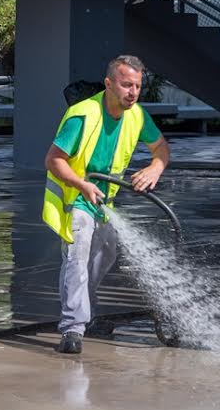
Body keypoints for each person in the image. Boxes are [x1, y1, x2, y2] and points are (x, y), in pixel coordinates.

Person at [43, 55, 170, 355]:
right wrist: (82, 184)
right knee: (78, 257)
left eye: (138, 86)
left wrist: (155, 168)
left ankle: (84, 312)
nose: (133, 92)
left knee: (105, 255)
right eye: (127, 85)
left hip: (105, 203)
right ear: (109, 84)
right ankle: (73, 329)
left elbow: (161, 148)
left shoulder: (137, 116)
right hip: (76, 199)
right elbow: (53, 160)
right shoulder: (82, 115)